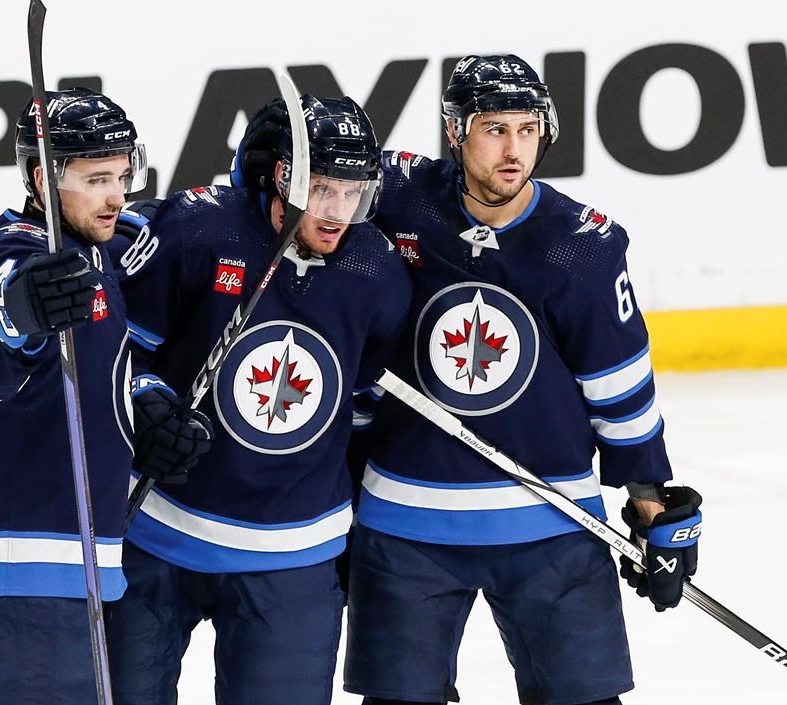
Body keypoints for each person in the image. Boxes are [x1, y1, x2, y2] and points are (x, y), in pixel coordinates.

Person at [233, 56, 703, 705]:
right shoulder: (396, 194)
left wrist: (650, 500)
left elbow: (618, 380)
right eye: (493, 129)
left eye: (526, 129)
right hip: (404, 522)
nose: (514, 150)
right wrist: (260, 165)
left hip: (551, 524)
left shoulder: (581, 245)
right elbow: (307, 196)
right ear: (454, 131)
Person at [104, 94, 411, 705]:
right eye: (322, 188)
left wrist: (357, 533)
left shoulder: (375, 273)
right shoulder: (197, 231)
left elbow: (363, 408)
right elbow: (114, 348)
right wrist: (146, 402)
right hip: (156, 532)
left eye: (353, 192)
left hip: (293, 554)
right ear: (280, 175)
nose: (337, 212)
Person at [0, 87, 210, 705]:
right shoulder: (19, 252)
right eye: (96, 178)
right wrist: (13, 312)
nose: (116, 195)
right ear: (39, 177)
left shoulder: (93, 257)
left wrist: (146, 406)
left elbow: (96, 373)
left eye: (123, 175)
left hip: (63, 564)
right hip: (24, 555)